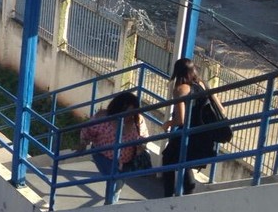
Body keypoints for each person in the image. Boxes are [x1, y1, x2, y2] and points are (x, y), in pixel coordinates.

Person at [162, 58, 219, 197]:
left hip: (189, 134)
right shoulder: (203, 84)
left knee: (168, 159)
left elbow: (181, 120)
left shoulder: (180, 89)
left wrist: (168, 124)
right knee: (183, 161)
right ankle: (188, 192)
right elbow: (220, 109)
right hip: (204, 135)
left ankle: (168, 196)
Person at [80, 91, 148, 204]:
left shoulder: (137, 120)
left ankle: (110, 207)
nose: (129, 116)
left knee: (117, 186)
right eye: (127, 112)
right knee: (114, 180)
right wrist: (83, 143)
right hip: (104, 156)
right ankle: (109, 208)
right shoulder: (103, 118)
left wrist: (142, 145)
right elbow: (87, 131)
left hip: (127, 161)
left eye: (132, 112)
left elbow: (144, 136)